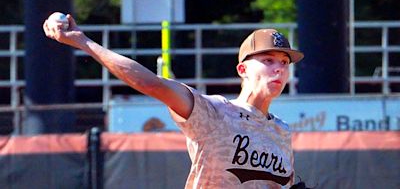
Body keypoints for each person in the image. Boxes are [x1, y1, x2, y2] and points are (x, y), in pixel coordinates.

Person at [43, 14, 305, 189]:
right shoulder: (215, 112)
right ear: (243, 70)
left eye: (284, 62)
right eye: (268, 60)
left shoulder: (281, 131)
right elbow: (150, 83)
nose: (279, 68)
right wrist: (84, 42)